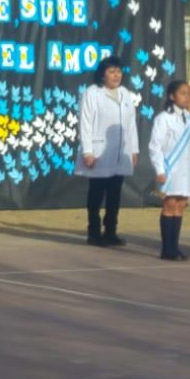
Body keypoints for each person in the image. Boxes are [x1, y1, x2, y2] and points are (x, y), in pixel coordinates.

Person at [73, 56, 139, 246]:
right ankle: (94, 232)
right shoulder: (92, 93)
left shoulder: (125, 94)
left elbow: (131, 124)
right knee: (96, 193)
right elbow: (85, 123)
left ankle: (111, 231)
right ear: (102, 75)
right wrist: (88, 151)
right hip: (98, 151)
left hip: (120, 152)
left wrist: (133, 148)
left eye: (118, 71)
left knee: (115, 193)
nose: (116, 75)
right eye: (111, 72)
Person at [149, 80, 190, 261]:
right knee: (170, 205)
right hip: (170, 169)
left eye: (188, 93)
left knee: (180, 205)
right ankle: (167, 248)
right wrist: (160, 170)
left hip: (185, 170)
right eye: (183, 93)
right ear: (172, 96)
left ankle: (175, 246)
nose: (187, 97)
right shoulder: (163, 118)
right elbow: (155, 146)